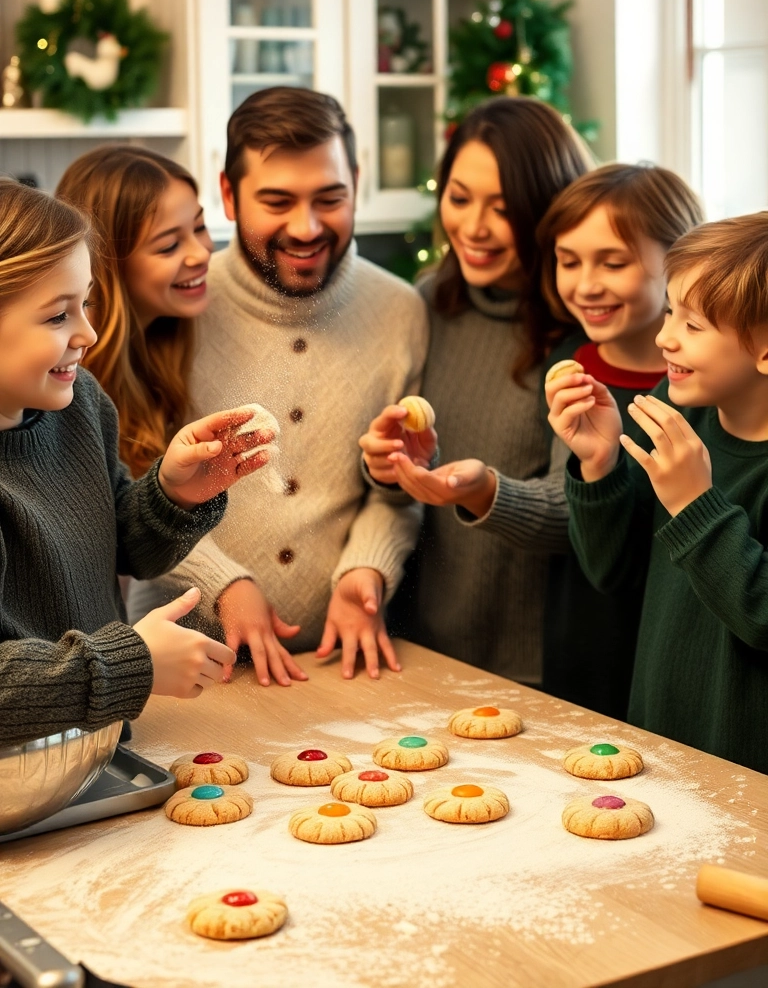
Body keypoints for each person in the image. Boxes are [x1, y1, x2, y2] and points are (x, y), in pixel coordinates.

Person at [129, 87, 428, 685]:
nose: (307, 226)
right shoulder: (177, 301)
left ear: (357, 183)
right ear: (228, 195)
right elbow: (133, 488)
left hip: (343, 665)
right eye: (277, 200)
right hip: (183, 669)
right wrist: (222, 585)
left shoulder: (400, 310)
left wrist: (365, 572)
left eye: (330, 198)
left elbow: (397, 487)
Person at [0, 179, 275, 748]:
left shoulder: (79, 407)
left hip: (95, 758)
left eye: (86, 304)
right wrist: (132, 662)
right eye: (57, 317)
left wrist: (172, 495)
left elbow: (126, 548)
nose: (88, 333)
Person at [362, 97, 592, 684]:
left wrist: (485, 490)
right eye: (459, 198)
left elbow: (581, 515)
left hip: (537, 668)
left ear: (545, 209)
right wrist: (387, 464)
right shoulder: (427, 300)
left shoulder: (583, 330)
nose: (474, 227)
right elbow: (412, 466)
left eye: (504, 207)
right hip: (419, 648)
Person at [546, 213, 768, 773]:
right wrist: (598, 464)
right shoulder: (674, 413)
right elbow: (610, 572)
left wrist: (697, 505)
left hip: (747, 776)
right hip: (660, 746)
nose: (665, 336)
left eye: (694, 326)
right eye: (671, 310)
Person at [535, 163, 702, 718]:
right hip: (583, 640)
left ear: (677, 265)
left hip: (669, 652)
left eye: (614, 262)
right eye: (569, 261)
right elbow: (598, 551)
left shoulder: (701, 392)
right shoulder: (564, 368)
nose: (586, 284)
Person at [56, 147, 213, 478]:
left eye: (199, 227)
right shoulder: (69, 378)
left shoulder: (161, 339)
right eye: (169, 246)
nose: (201, 253)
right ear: (107, 265)